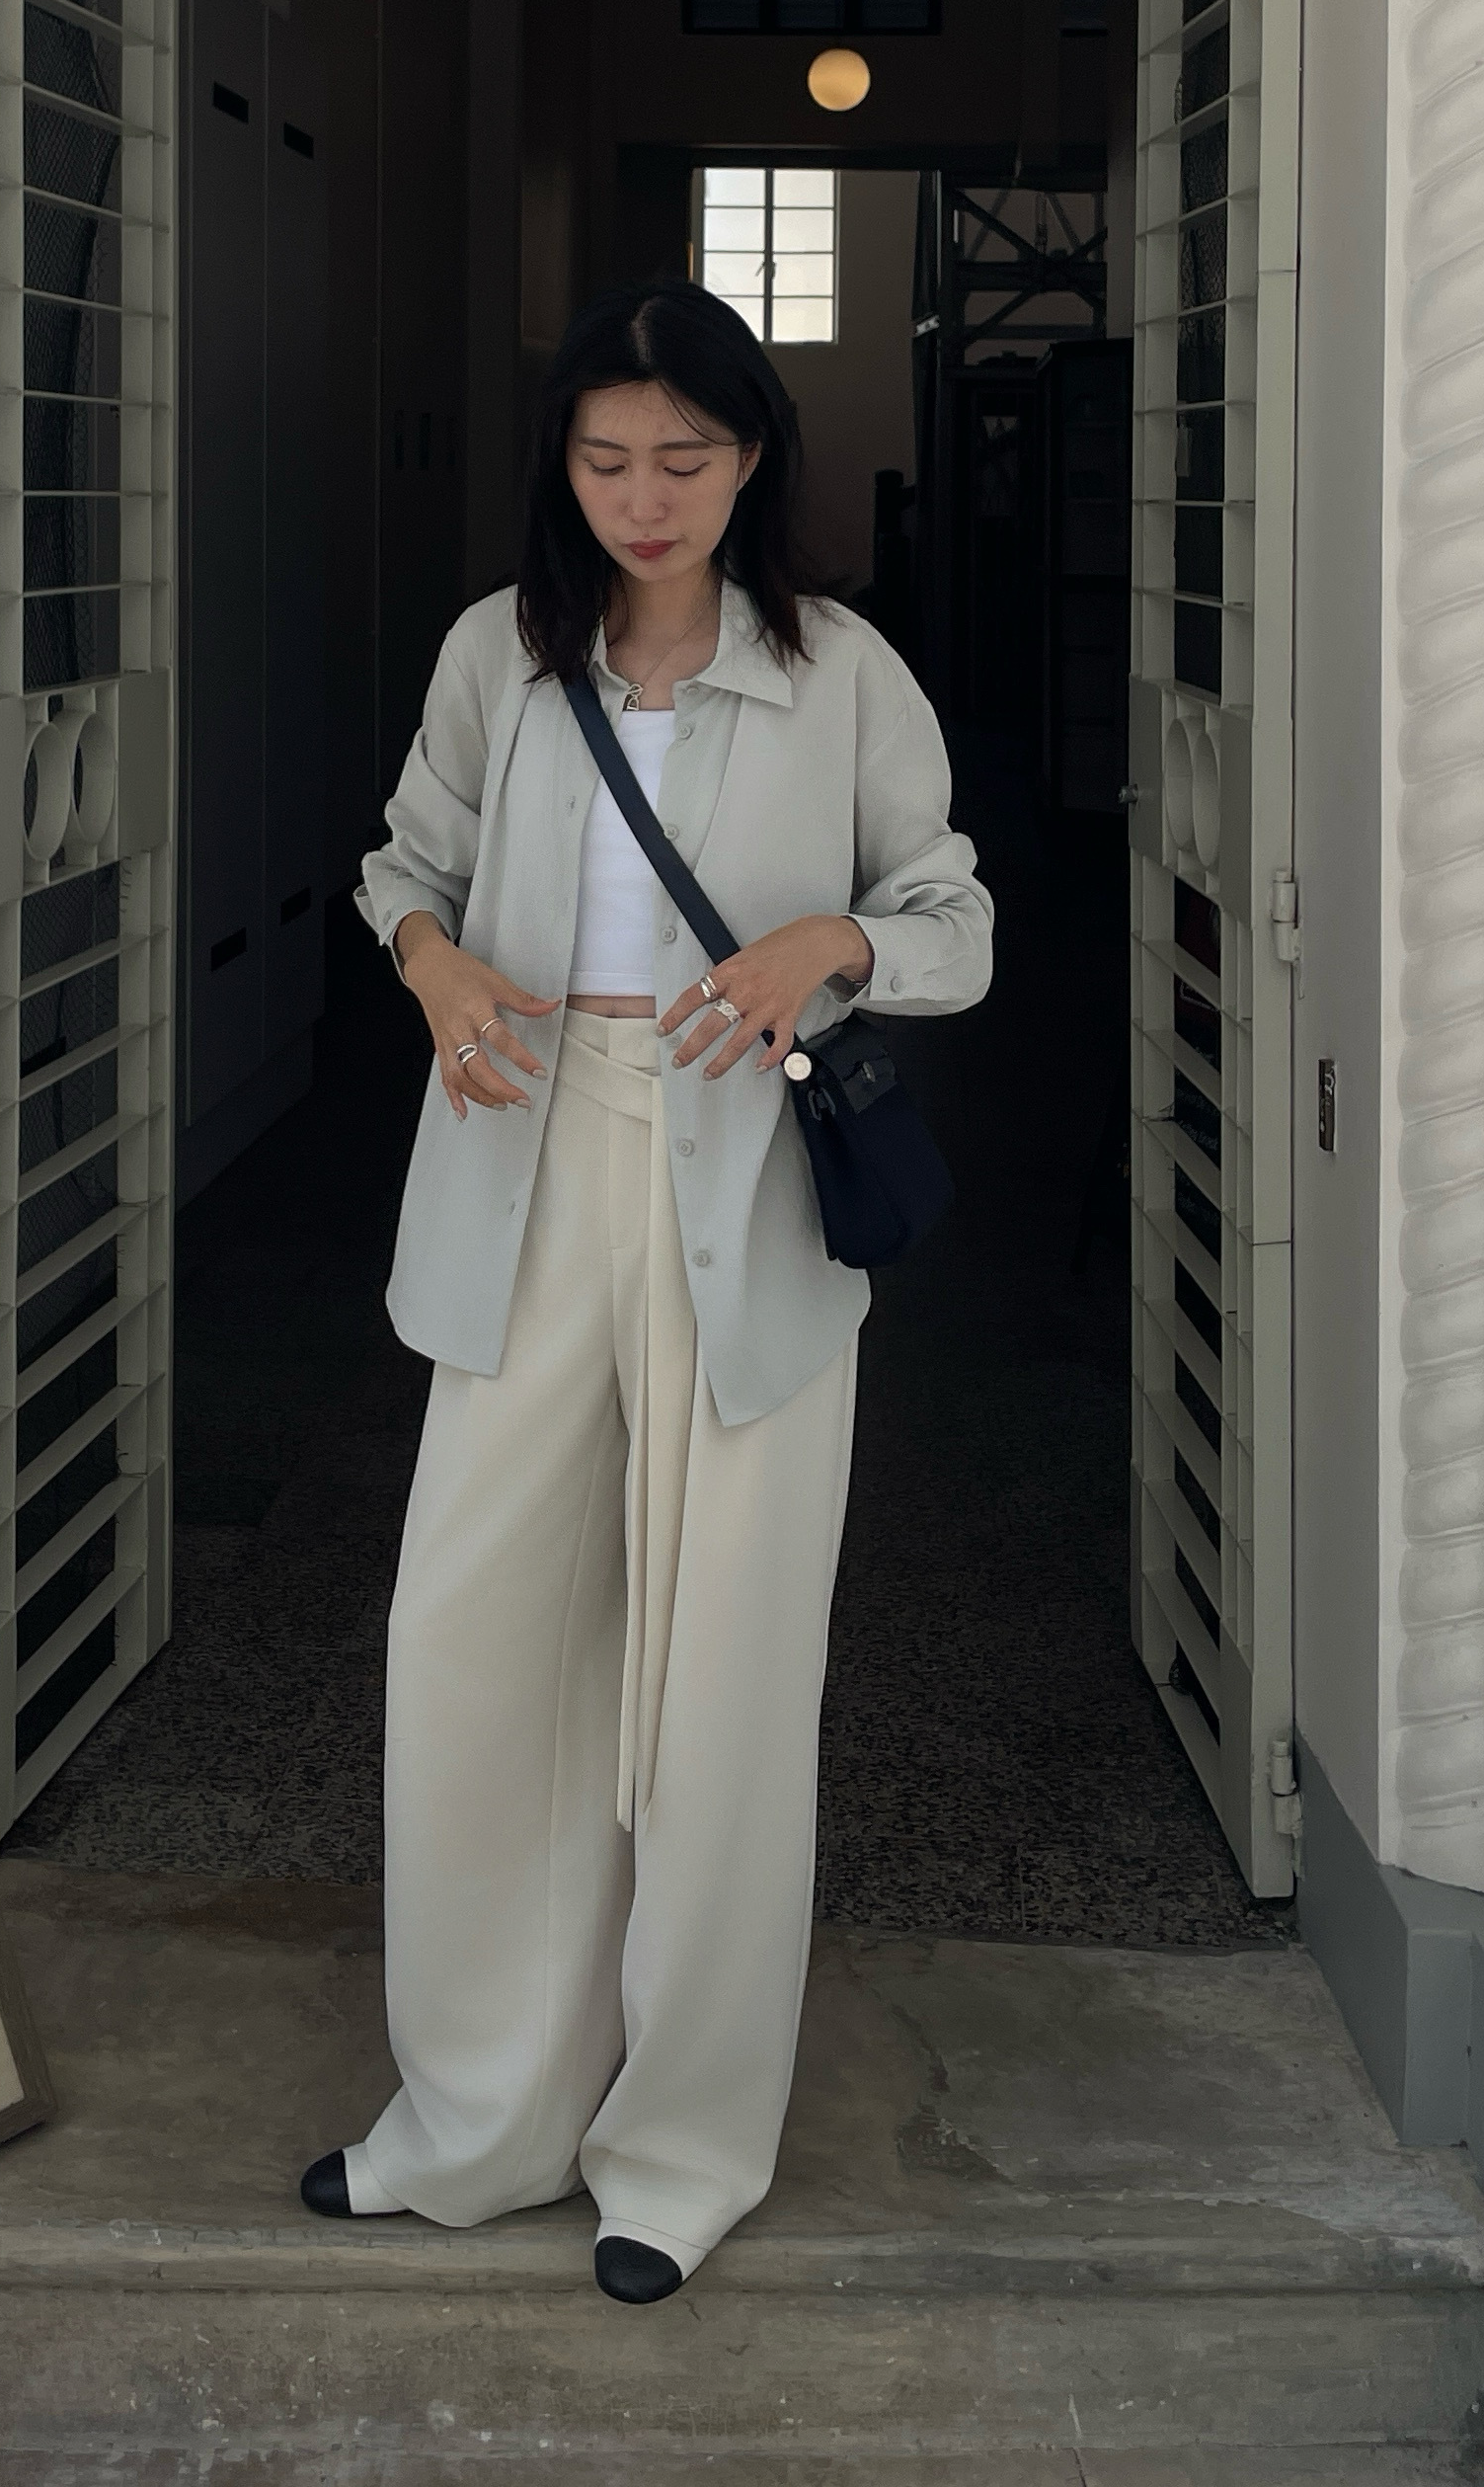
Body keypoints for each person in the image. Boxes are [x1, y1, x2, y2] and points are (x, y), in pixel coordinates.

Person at [306, 276, 993, 2300]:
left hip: (745, 1187)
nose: (645, 496)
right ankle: (475, 2122)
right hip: (526, 1153)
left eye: (684, 457)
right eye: (607, 459)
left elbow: (951, 915)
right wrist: (434, 968)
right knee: (474, 1647)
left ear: (750, 456)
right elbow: (401, 865)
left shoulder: (838, 672)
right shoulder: (501, 658)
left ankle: (679, 2153)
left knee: (724, 1683)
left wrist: (824, 948)